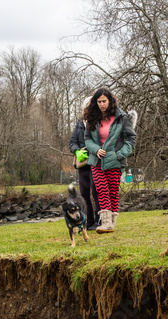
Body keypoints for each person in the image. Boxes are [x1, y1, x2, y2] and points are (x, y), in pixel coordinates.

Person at [84, 88, 137, 233]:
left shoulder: (121, 117)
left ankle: (111, 224)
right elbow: (87, 139)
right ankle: (106, 223)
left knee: (113, 191)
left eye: (104, 101)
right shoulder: (92, 118)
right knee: (101, 190)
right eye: (99, 101)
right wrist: (95, 149)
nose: (101, 104)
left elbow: (131, 139)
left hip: (115, 161)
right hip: (97, 161)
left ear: (110, 101)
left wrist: (120, 155)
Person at [69, 97, 101, 230]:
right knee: (83, 192)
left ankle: (100, 220)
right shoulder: (80, 123)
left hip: (96, 160)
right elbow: (72, 142)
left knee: (96, 190)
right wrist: (76, 151)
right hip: (82, 163)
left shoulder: (100, 122)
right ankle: (89, 221)